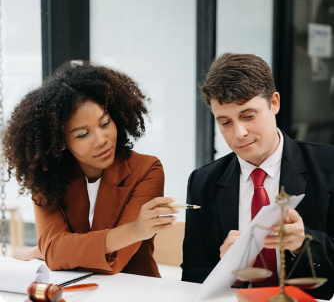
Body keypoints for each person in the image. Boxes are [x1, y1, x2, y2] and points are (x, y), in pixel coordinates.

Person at [2, 61, 179, 277]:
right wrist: (133, 231)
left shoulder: (146, 169)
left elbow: (114, 261)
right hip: (70, 291)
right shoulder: (47, 177)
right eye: (82, 135)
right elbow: (55, 252)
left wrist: (46, 252)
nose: (101, 140)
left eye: (105, 124)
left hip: (135, 291)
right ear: (61, 142)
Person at [181, 53, 334, 300]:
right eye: (225, 122)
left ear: (274, 103)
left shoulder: (328, 165)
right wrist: (230, 271)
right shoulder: (202, 182)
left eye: (248, 116)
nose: (239, 133)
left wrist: (304, 245)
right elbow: (192, 274)